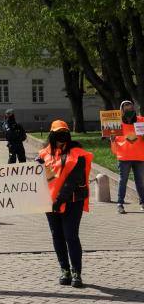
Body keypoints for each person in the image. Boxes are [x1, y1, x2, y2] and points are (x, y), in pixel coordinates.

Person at [35, 120, 92, 288]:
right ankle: (64, 269)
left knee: (71, 236)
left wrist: (59, 199)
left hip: (72, 202)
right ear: (52, 135)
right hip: (49, 203)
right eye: (58, 134)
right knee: (57, 236)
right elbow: (35, 177)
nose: (62, 138)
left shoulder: (78, 154)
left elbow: (73, 181)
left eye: (64, 134)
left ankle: (76, 272)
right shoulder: (43, 154)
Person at [111, 100, 144, 214]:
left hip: (139, 156)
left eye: (130, 108)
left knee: (140, 181)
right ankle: (120, 204)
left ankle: (143, 202)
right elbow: (114, 142)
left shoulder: (141, 120)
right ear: (122, 110)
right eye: (126, 109)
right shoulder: (117, 123)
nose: (128, 110)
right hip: (124, 157)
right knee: (122, 181)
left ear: (134, 109)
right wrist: (112, 139)